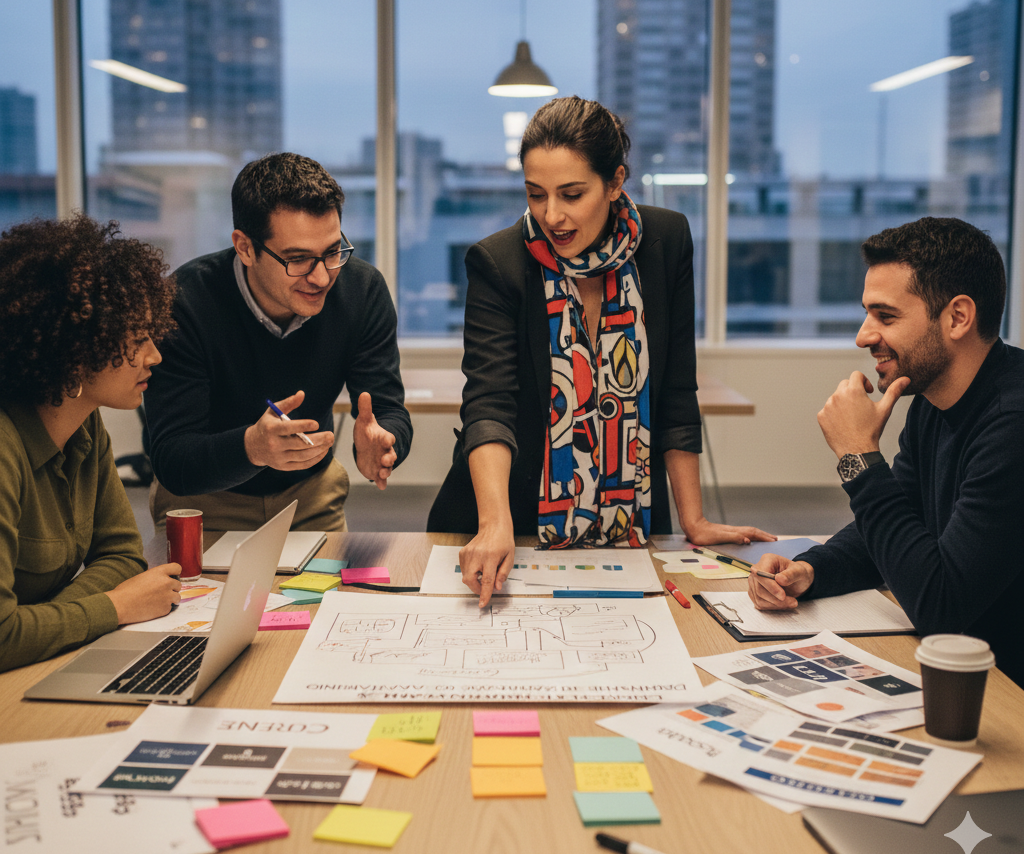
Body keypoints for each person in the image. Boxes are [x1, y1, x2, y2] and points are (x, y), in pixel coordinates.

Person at [428, 96, 773, 605]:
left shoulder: (666, 240)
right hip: (510, 524)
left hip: (629, 522)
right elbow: (490, 402)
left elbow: (676, 387)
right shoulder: (498, 262)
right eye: (535, 194)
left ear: (615, 182)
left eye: (571, 194)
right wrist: (494, 523)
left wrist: (693, 519)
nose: (552, 216)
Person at [747, 217, 1024, 688]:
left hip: (1005, 692)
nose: (863, 335)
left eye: (886, 316)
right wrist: (814, 568)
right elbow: (899, 527)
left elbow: (941, 606)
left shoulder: (1012, 421)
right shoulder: (934, 399)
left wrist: (858, 457)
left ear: (958, 317)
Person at [145, 153, 413, 533]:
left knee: (334, 595)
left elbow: (387, 411)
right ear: (245, 247)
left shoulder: (362, 290)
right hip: (203, 502)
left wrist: (387, 444)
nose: (321, 278)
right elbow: (172, 459)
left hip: (311, 495)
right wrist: (252, 447)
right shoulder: (186, 302)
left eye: (333, 251)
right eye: (299, 259)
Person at [0, 216, 182, 672]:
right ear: (77, 347)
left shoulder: (84, 423)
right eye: (138, 338)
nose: (154, 356)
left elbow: (121, 555)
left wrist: (51, 620)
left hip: (38, 662)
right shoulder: (5, 446)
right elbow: (3, 637)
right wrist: (115, 608)